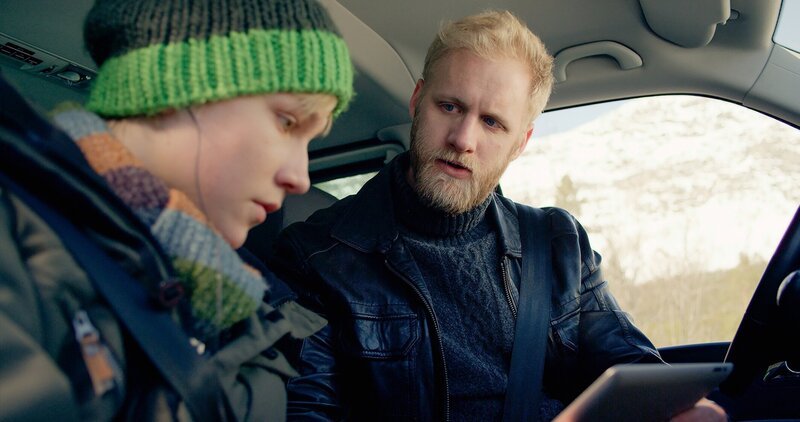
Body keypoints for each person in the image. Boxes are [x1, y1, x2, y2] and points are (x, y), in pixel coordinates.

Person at [271, 10, 728, 421]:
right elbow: (308, 411)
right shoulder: (316, 256)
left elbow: (627, 359)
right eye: (449, 106)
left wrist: (673, 409)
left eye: (492, 122)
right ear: (417, 101)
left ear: (521, 142)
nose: (463, 138)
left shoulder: (556, 242)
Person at [0, 0, 353, 420]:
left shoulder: (237, 301)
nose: (301, 177)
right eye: (287, 122)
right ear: (174, 84)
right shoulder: (16, 243)